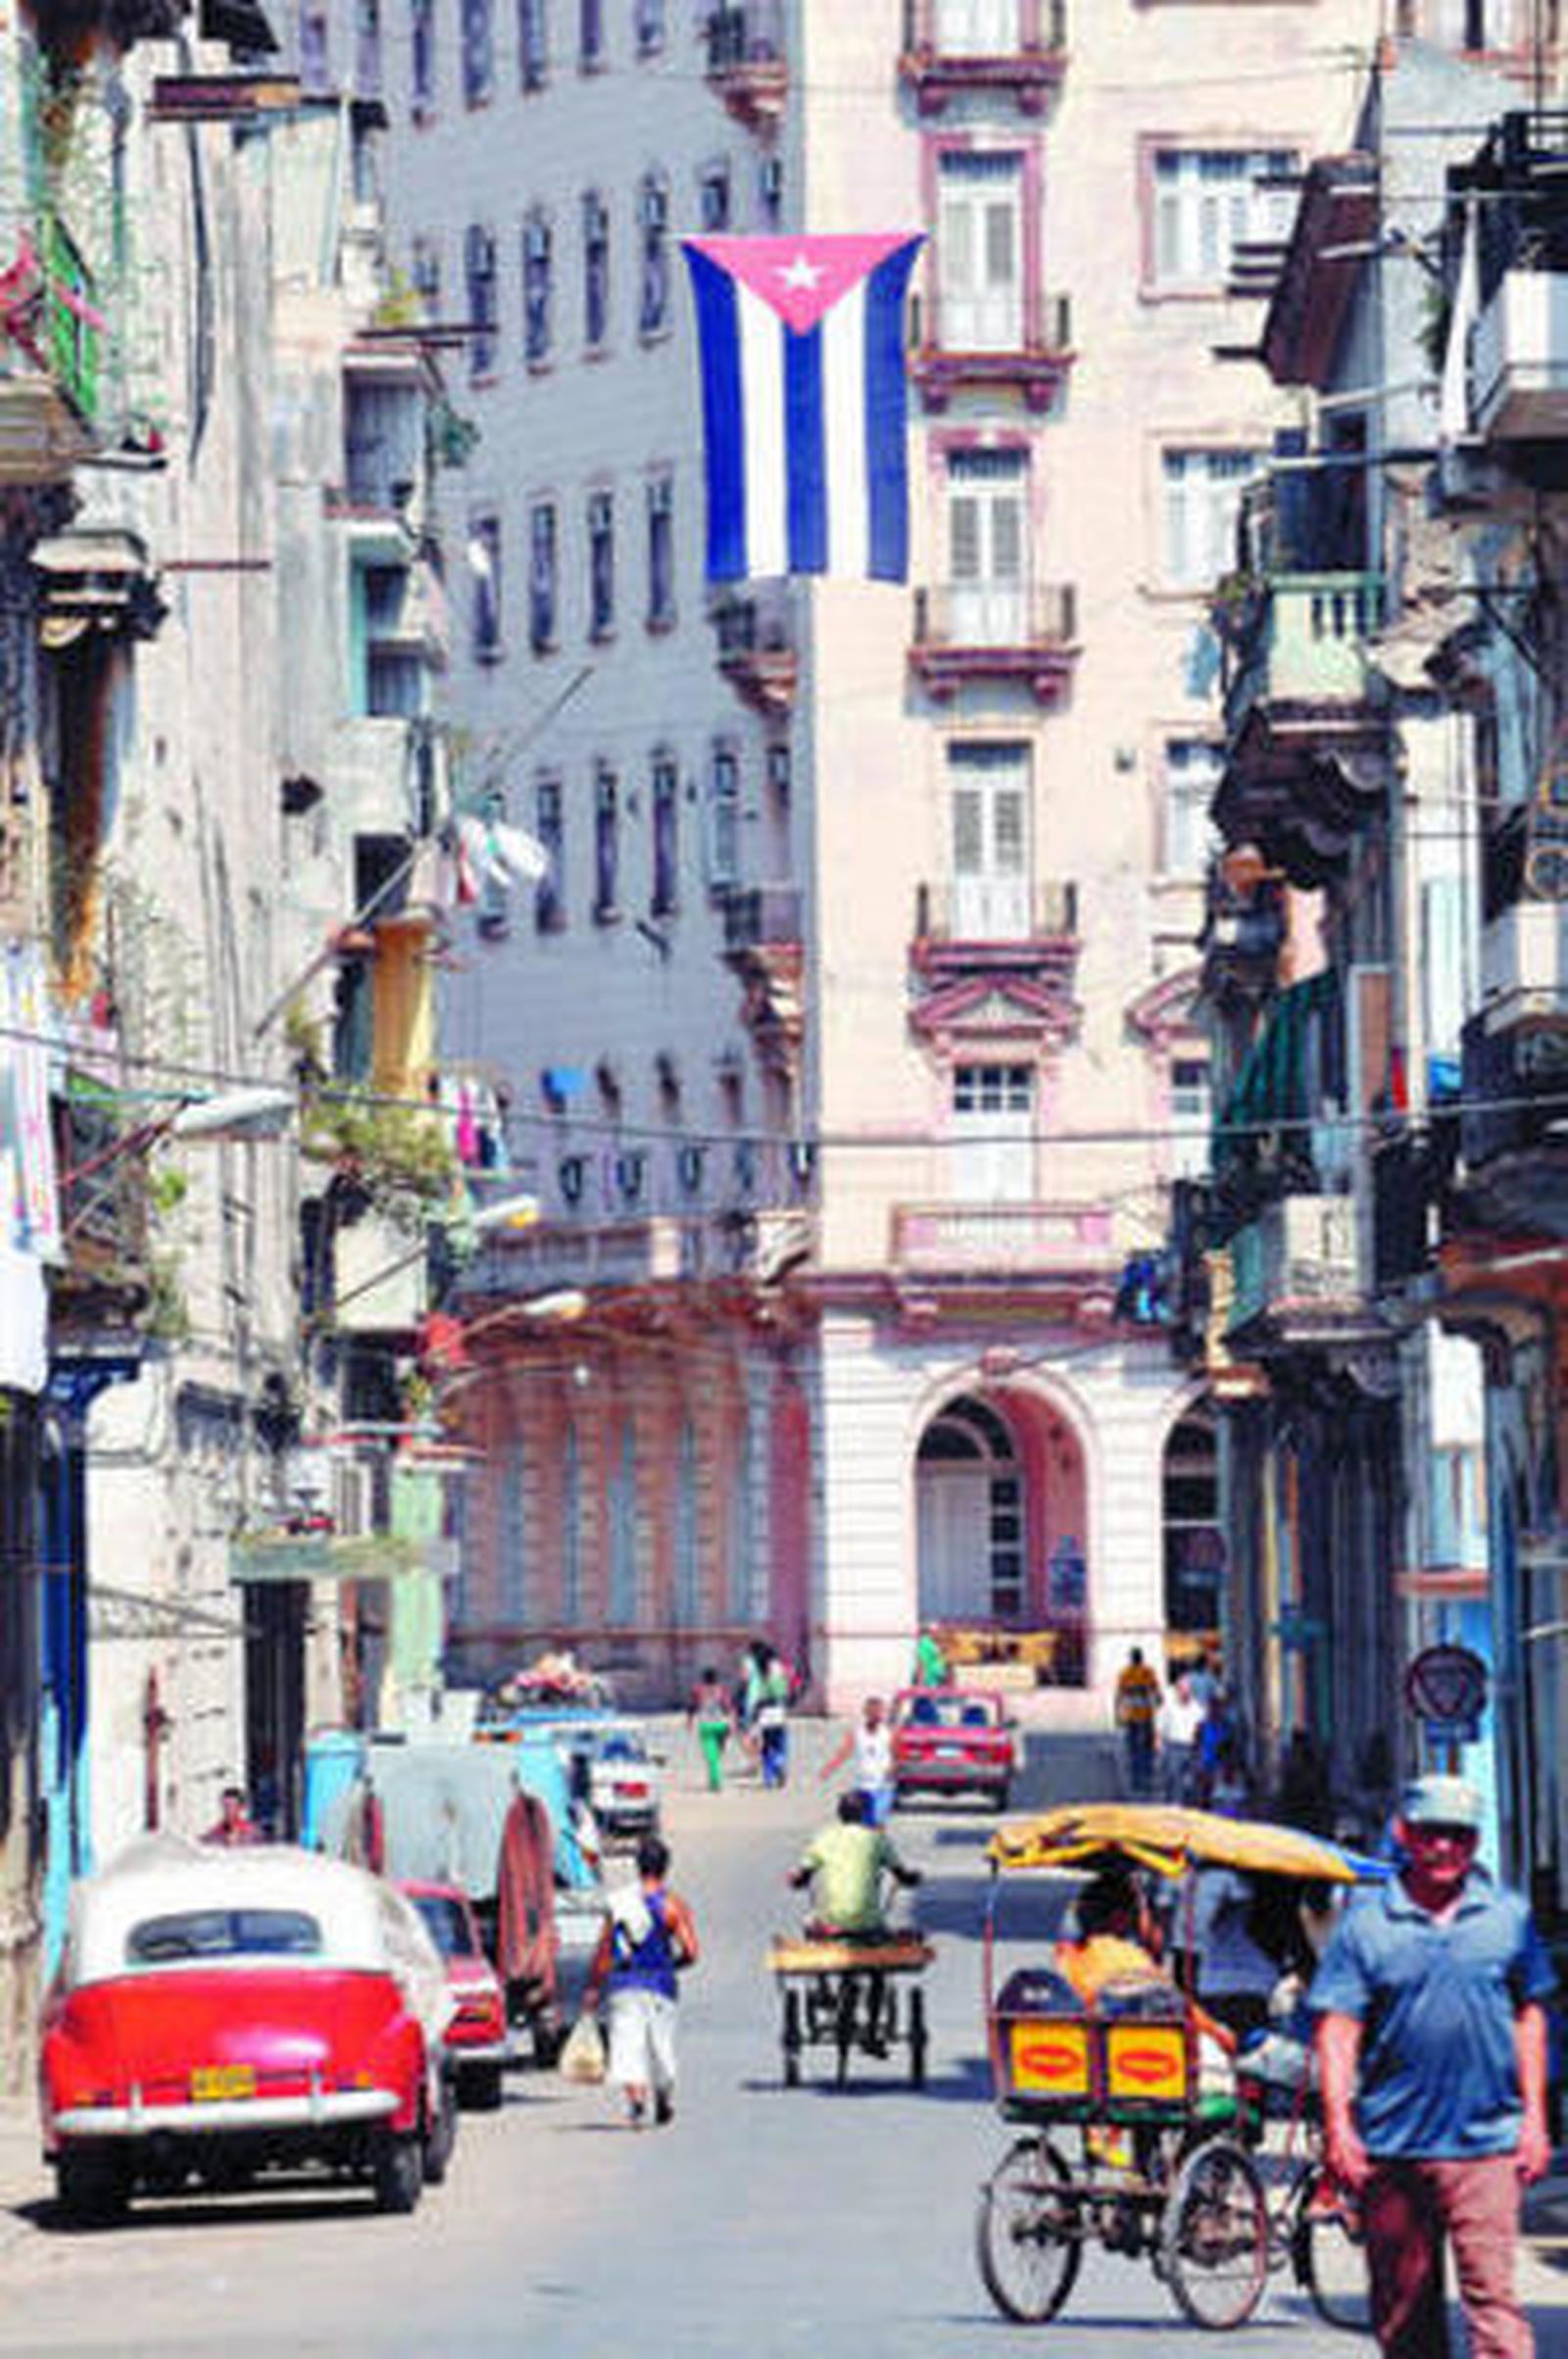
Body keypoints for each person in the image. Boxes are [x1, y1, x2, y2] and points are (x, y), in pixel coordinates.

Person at [1311, 1774, 1555, 2359]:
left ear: (1474, 1844)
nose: (1445, 1848)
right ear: (1405, 1835)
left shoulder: (1507, 1919)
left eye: (1459, 1836)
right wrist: (1339, 2127)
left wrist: (1535, 2119)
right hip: (1393, 2147)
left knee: (1494, 2304)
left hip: (1487, 2145)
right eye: (1431, 1834)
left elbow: (1530, 2016)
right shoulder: (1367, 1925)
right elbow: (1338, 2030)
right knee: (1404, 2311)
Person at [580, 1835, 699, 2129]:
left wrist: (594, 1987)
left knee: (627, 2045)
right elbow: (692, 1952)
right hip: (661, 1985)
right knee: (661, 2045)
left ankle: (636, 2100)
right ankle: (664, 2096)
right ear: (665, 1868)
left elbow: (604, 1950)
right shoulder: (673, 1906)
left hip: (625, 1984)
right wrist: (672, 1966)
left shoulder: (620, 1902)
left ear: (637, 1866)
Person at [790, 1790, 922, 1939]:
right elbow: (903, 1876)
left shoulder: (823, 1838)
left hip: (832, 1920)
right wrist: (913, 1878)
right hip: (869, 1923)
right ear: (866, 1814)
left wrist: (796, 1880)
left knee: (809, 1922)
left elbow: (801, 1879)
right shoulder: (877, 1840)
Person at [820, 1694, 895, 1826]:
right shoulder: (857, 1732)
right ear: (866, 1713)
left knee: (878, 1822)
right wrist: (829, 1768)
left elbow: (898, 1756)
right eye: (873, 1712)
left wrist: (892, 1770)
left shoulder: (888, 1733)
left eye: (880, 1712)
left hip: (882, 1786)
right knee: (863, 1823)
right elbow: (844, 1753)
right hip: (862, 1785)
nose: (877, 1716)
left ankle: (879, 1845)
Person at [1114, 1647, 1161, 1797]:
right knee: (1147, 1750)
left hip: (1131, 1717)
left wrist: (1118, 1715)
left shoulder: (1125, 1674)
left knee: (1134, 1749)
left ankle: (1136, 1780)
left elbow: (1119, 1696)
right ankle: (1146, 1778)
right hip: (1147, 1716)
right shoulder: (1148, 1672)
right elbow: (1157, 1694)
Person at [1157, 1671, 1205, 1802]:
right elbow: (1160, 1727)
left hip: (1191, 1747)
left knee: (1191, 1782)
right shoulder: (1168, 1707)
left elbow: (1201, 1727)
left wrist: (1199, 1748)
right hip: (1173, 1747)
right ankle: (1173, 1806)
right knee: (1173, 1780)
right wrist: (1158, 1744)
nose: (1185, 1692)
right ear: (1177, 1691)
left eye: (1188, 1690)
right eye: (1183, 1689)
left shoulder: (1197, 1708)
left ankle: (1188, 1807)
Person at [688, 1664, 732, 1794]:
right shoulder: (722, 1690)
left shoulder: (698, 1691)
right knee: (717, 1754)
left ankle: (715, 1782)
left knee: (712, 1756)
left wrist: (689, 1721)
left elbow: (692, 1707)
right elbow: (728, 1706)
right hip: (721, 1725)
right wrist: (731, 1721)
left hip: (706, 1726)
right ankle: (715, 1778)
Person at [755, 1646, 791, 1789]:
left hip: (765, 1714)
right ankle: (779, 1763)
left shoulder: (760, 1674)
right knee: (780, 1744)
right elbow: (783, 1692)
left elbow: (759, 1697)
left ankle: (769, 1778)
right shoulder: (779, 1672)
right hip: (778, 1712)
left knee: (767, 1747)